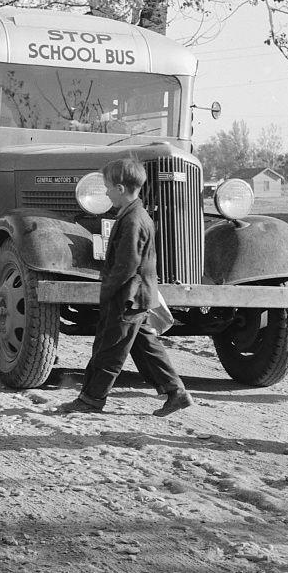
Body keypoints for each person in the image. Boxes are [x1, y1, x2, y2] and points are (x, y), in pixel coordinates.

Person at [54, 158, 193, 418]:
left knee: (110, 348)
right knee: (145, 346)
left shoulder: (133, 220)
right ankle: (176, 393)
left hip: (127, 296)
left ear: (119, 188)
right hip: (137, 295)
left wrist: (107, 291)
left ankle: (91, 400)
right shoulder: (135, 215)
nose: (105, 192)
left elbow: (127, 263)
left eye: (107, 187)